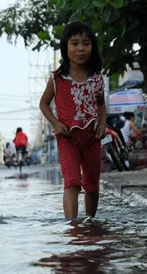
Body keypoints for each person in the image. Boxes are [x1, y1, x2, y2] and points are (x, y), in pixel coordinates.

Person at [39, 21, 106, 224]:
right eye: (74, 43)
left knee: (92, 184)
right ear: (65, 47)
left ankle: (90, 222)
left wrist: (102, 124)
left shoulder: (97, 79)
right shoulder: (57, 79)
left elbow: (101, 105)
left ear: (92, 47)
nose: (80, 49)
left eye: (86, 43)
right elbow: (43, 104)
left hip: (92, 138)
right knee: (72, 182)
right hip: (67, 137)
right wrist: (56, 123)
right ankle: (72, 225)